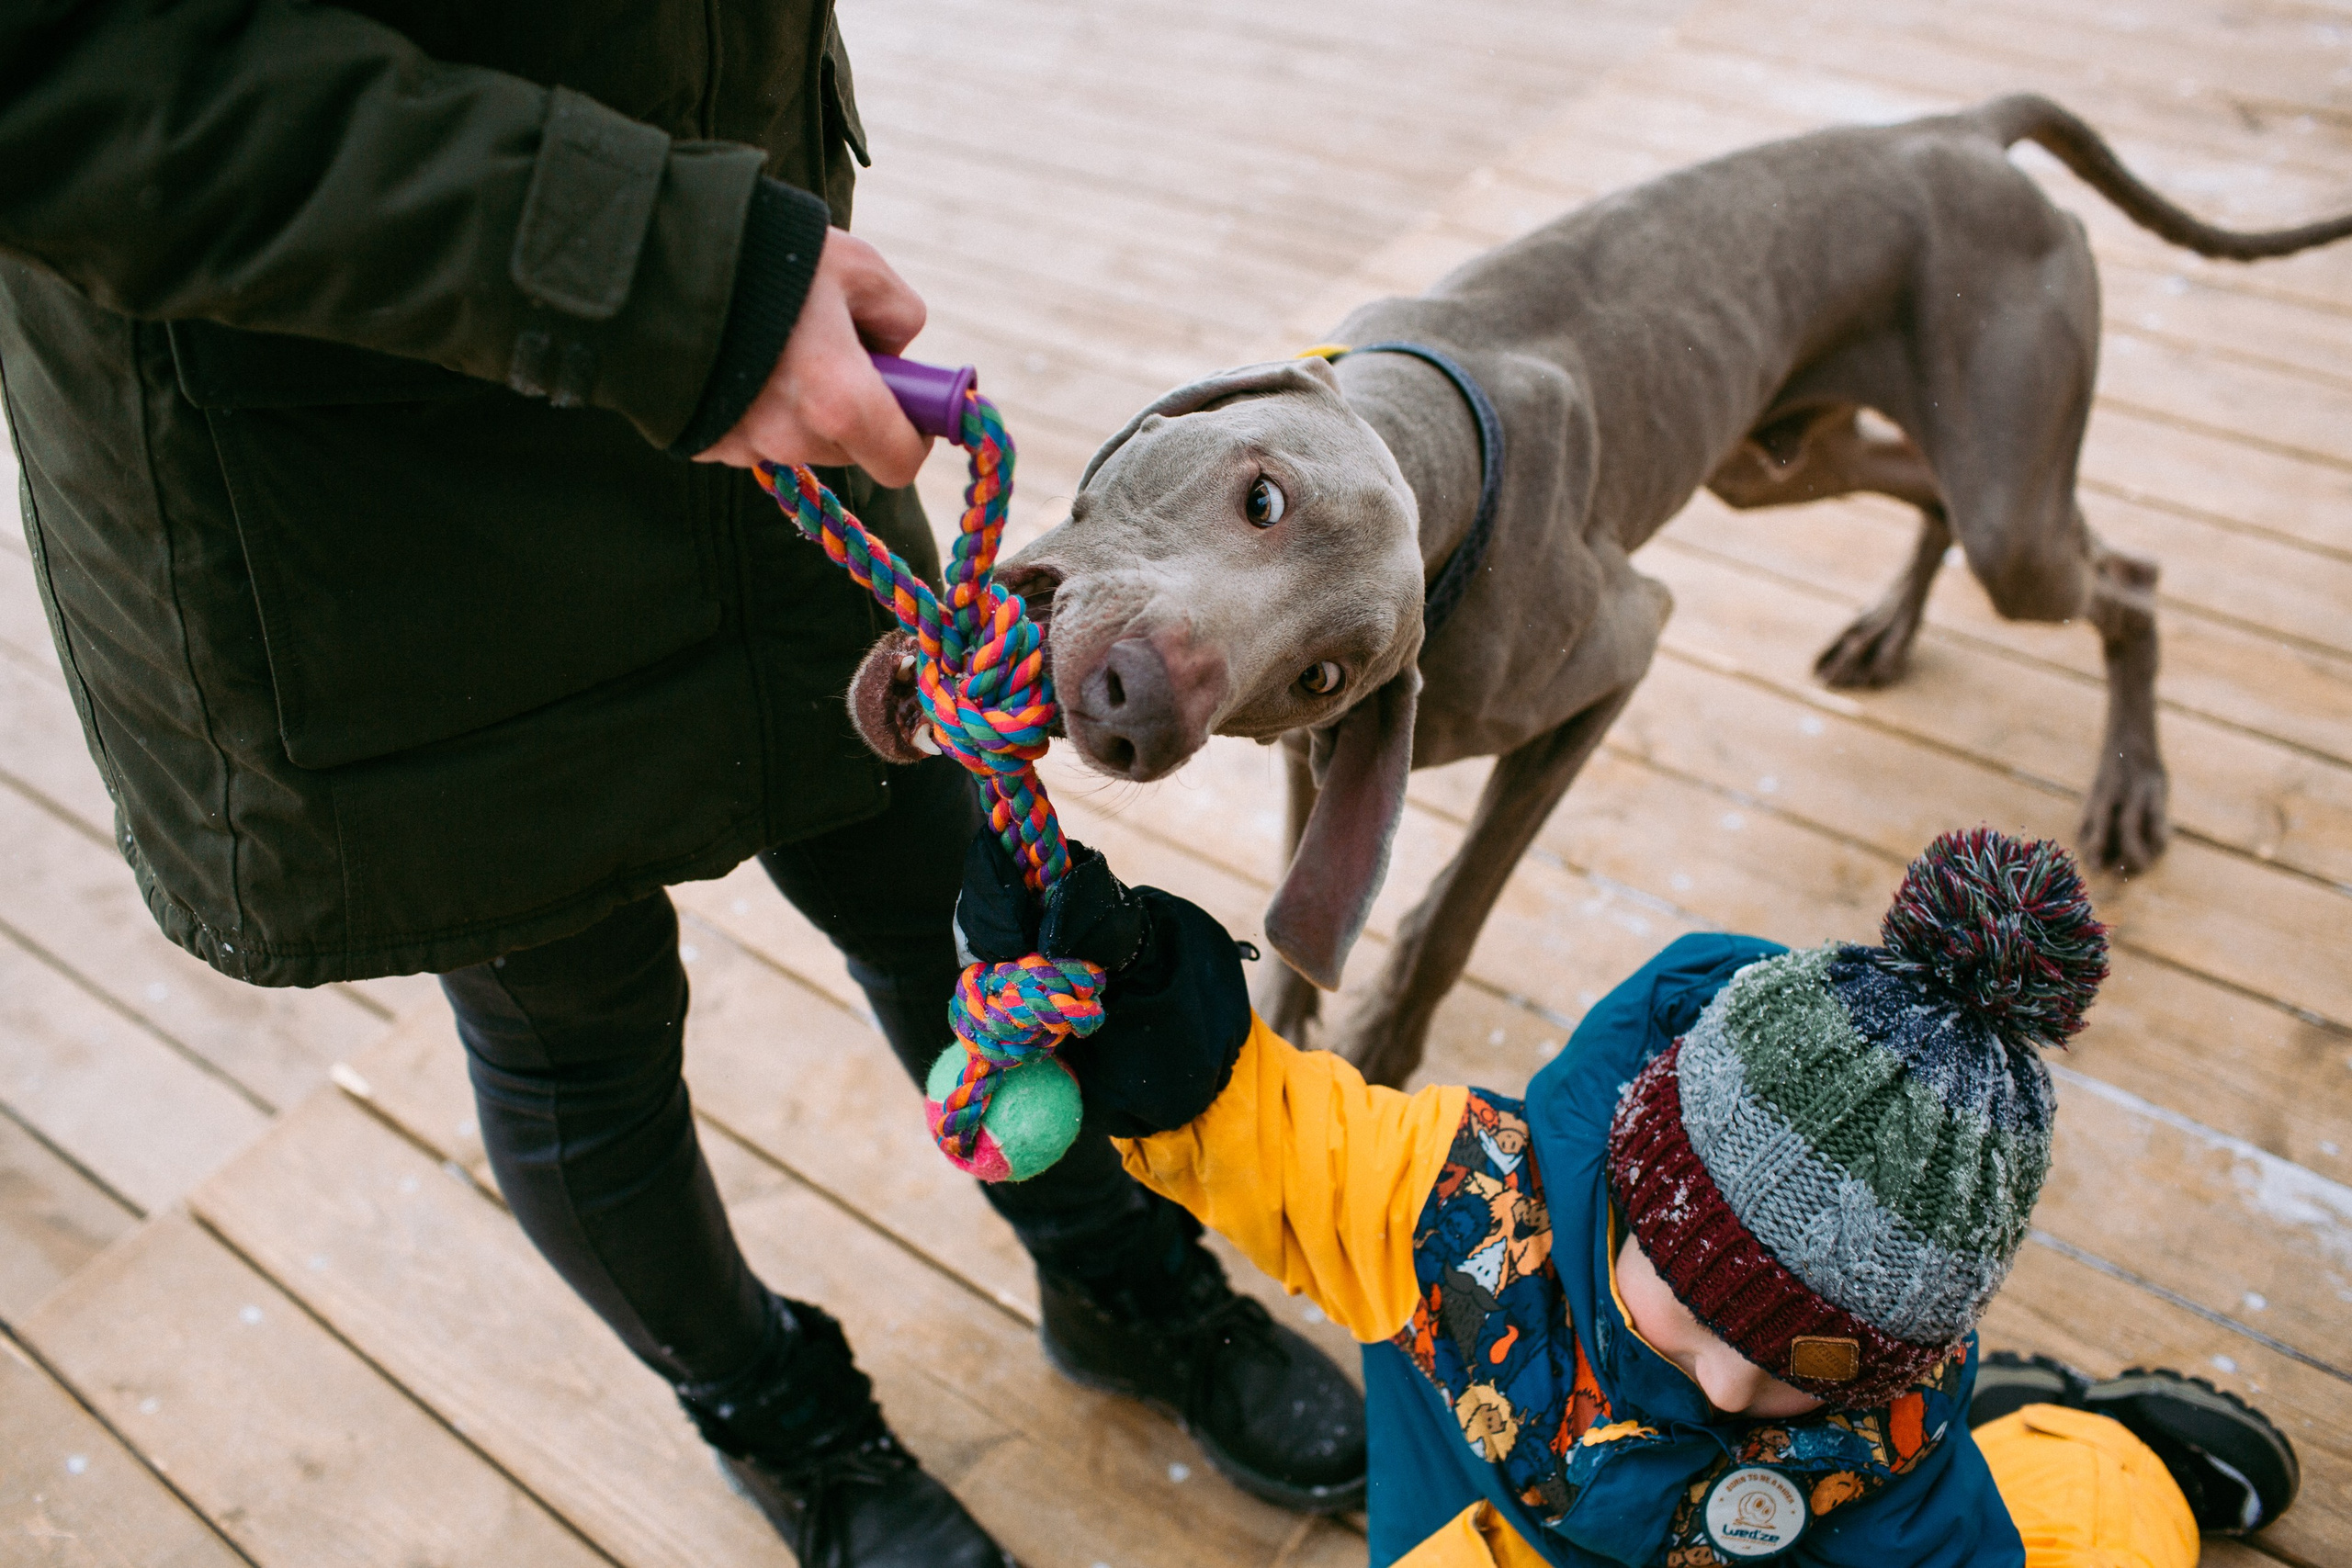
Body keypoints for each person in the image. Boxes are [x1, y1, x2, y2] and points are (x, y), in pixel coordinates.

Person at [0, 6, 1364, 1564]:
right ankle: (778, 1417)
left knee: (947, 888)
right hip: (356, 499)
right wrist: (663, 276)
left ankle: (1116, 1273)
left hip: (743, 359)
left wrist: (716, 276)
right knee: (573, 1032)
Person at [977, 825, 2302, 1565]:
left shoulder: (1882, 1440)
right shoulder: (1462, 1215)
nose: (1731, 1390)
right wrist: (1148, 1016)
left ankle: (2105, 1450)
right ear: (1630, 1187)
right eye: (1698, 1308)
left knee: (2102, 1548)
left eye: (1805, 1368)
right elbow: (1272, 1139)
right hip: (1486, 1536)